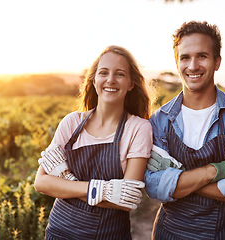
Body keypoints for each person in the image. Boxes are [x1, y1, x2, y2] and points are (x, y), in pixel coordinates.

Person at [144, 21, 225, 239]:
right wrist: (214, 171)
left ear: (217, 62)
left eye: (202, 56)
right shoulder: (159, 120)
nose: (193, 65)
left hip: (221, 233)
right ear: (176, 62)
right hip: (167, 233)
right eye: (185, 57)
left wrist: (176, 180)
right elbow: (153, 186)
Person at [34, 45, 153, 240]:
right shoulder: (71, 122)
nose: (110, 80)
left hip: (109, 235)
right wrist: (103, 190)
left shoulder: (138, 128)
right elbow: (41, 182)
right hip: (59, 231)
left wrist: (65, 180)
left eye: (120, 74)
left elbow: (126, 200)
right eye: (103, 72)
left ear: (131, 83)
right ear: (94, 79)